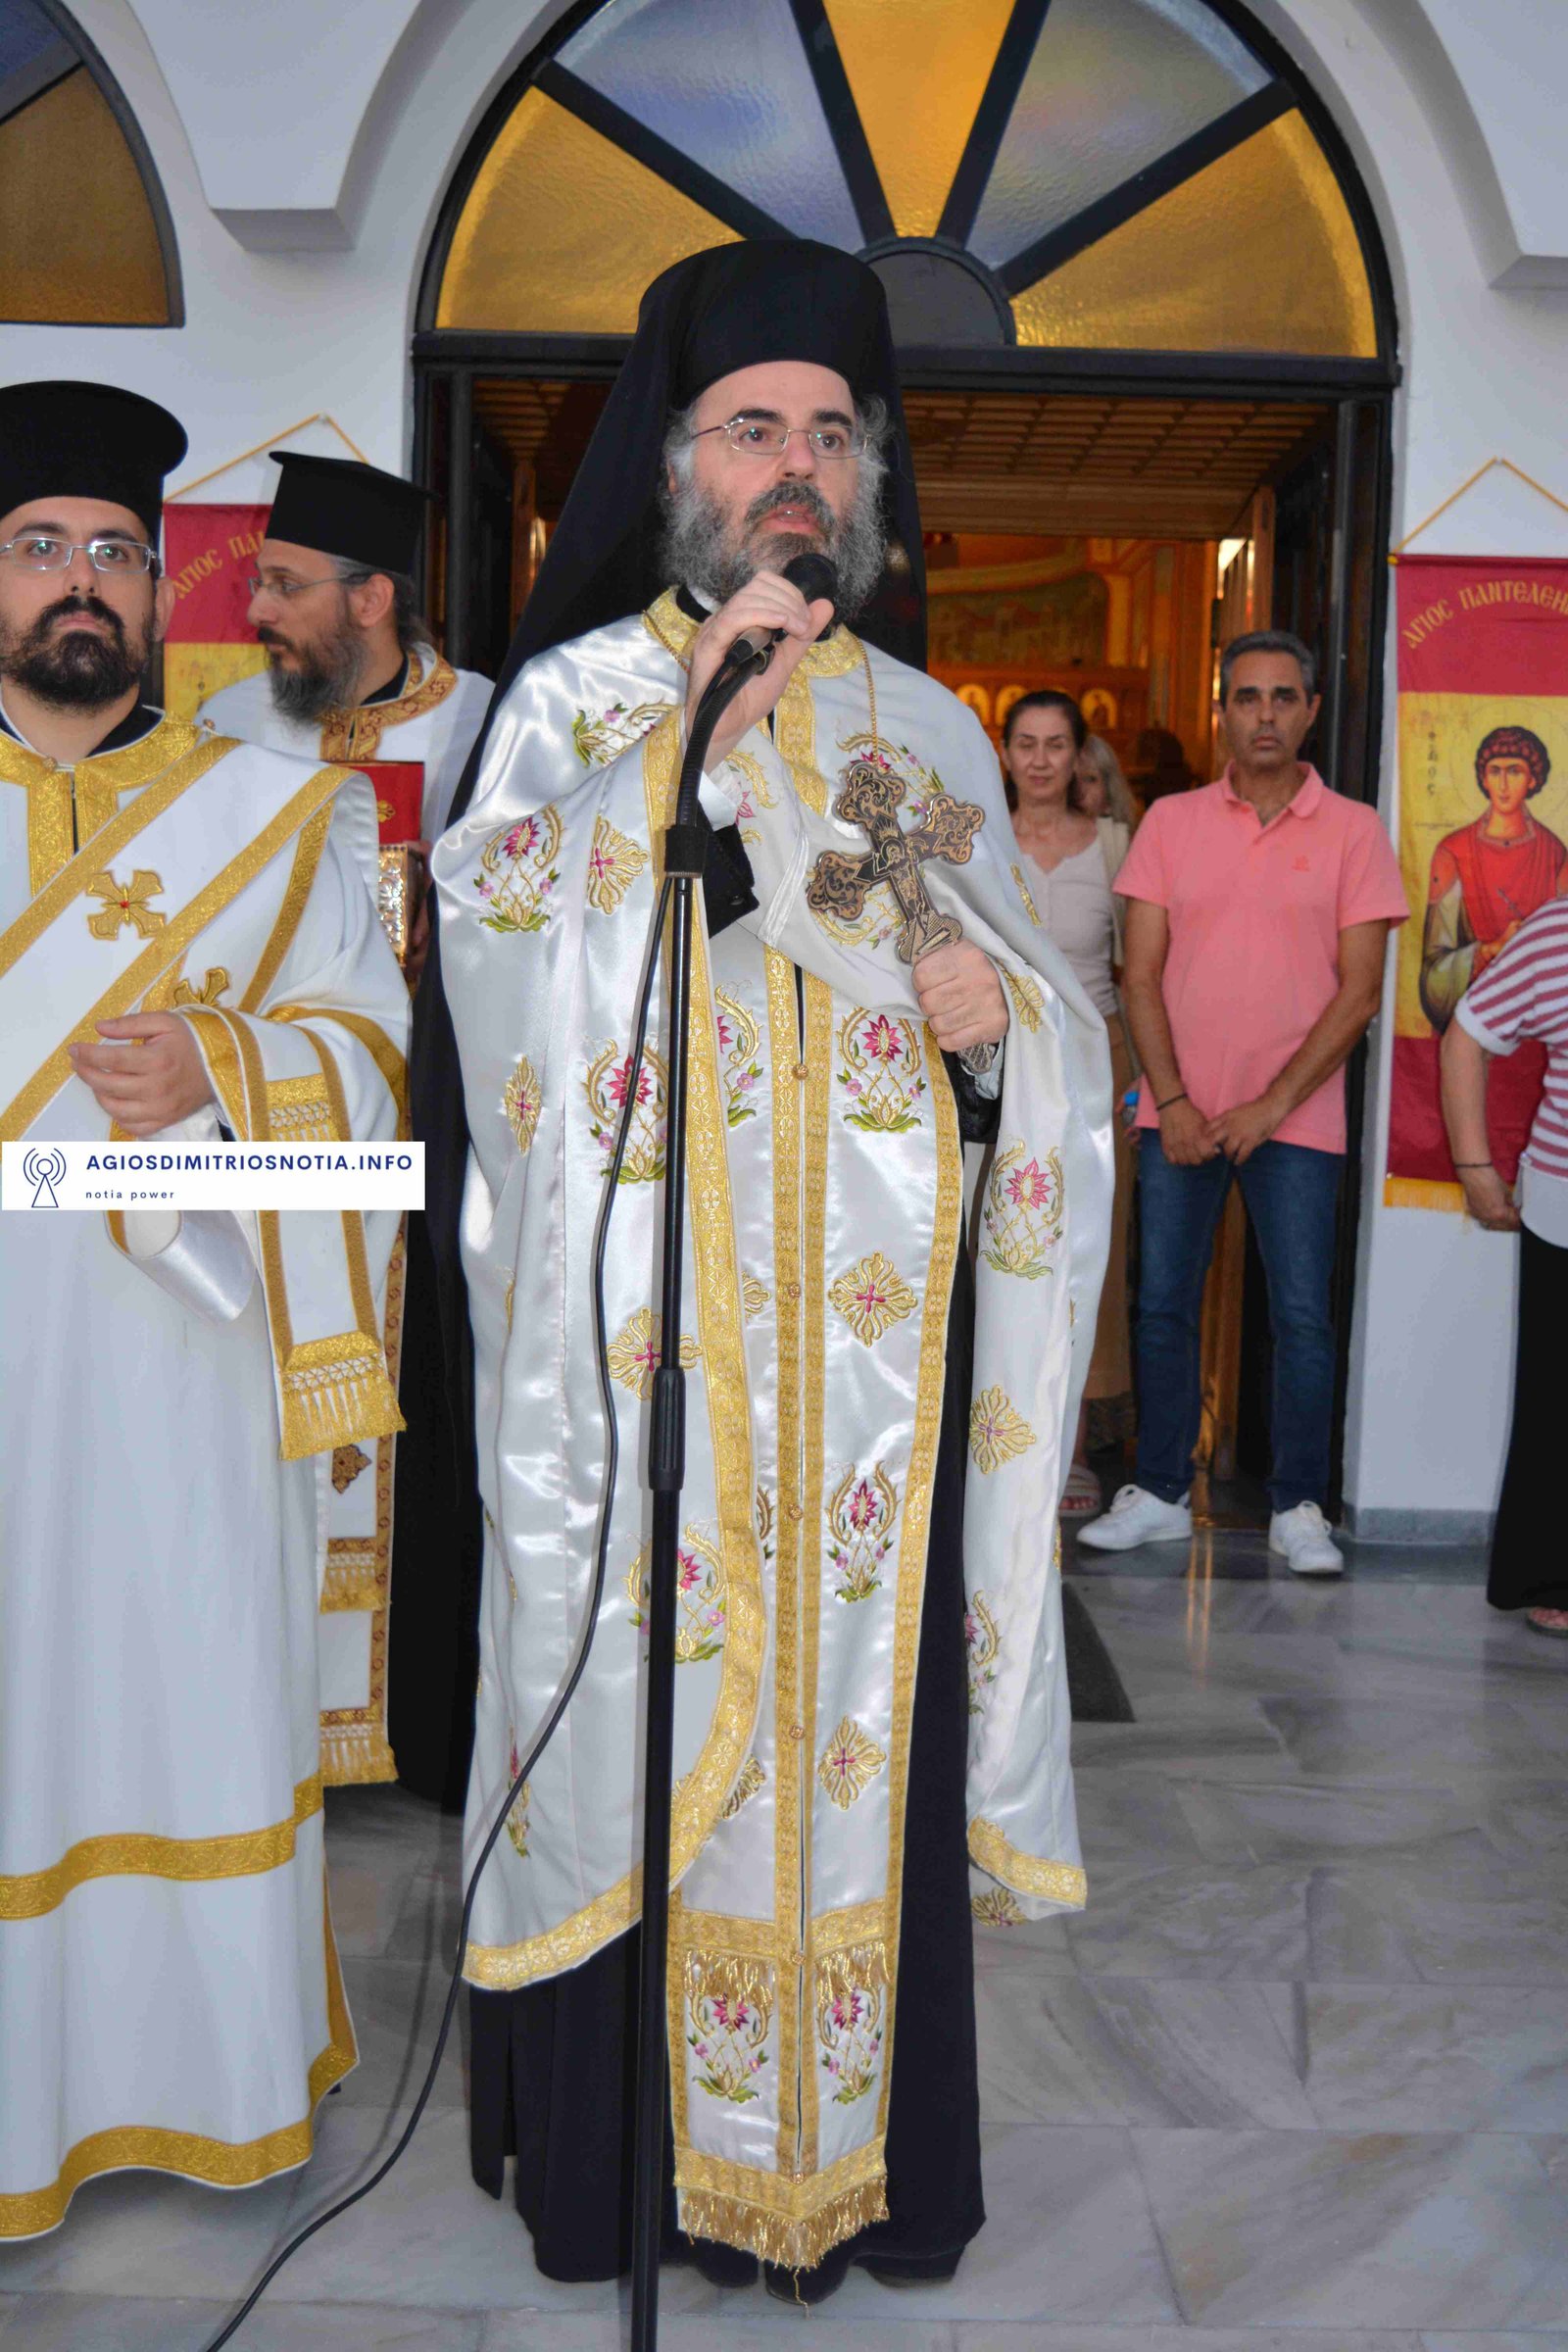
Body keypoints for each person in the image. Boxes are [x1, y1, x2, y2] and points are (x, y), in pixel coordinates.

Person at [418, 242, 1111, 2298]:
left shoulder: (924, 725)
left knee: (863, 1754)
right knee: (652, 1730)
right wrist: (680, 760)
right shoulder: (582, 704)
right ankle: (637, 2184)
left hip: (876, 1405)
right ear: (678, 468)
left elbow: (1023, 1023)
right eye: (751, 429)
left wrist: (1002, 1035)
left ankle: (870, 2180)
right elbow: (501, 980)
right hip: (663, 1375)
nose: (795, 465)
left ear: (866, 473)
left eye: (829, 432)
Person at [0, 380, 409, 2234]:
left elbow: (380, 1074)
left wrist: (230, 1074)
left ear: (166, 595)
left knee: (177, 1682)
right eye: (38, 547)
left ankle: (197, 2081)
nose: (80, 579)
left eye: (114, 551)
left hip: (191, 1358)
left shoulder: (281, 818)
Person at [200, 455, 493, 1801]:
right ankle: (266, 1728)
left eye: (284, 585)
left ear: (371, 599)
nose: (255, 609)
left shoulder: (489, 728)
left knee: (431, 1425)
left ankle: (416, 1732)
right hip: (274, 1145)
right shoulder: (226, 729)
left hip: (439, 1149)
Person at [1079, 628, 1408, 1576]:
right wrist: (1174, 1099)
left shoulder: (1354, 830)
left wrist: (1269, 1106)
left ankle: (1299, 1506)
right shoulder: (1172, 823)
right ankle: (1159, 1493)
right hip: (1178, 1114)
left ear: (1311, 711)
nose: (1265, 714)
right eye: (1248, 697)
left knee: (1300, 1316)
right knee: (1162, 1307)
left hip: (1296, 1119)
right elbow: (1140, 976)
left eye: (1283, 697)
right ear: (1221, 711)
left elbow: (1360, 993)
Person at [1004, 693, 1134, 1513]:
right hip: (1004, 1064)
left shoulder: (1115, 847)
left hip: (1096, 1063)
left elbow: (1141, 974)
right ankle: (1004, 1444)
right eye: (1026, 743)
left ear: (1079, 754)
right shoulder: (978, 839)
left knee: (1090, 1257)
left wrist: (1143, 1085)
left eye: (1057, 744)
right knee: (1006, 1249)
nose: (1041, 760)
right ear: (1005, 753)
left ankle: (1077, 1452)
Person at [1442, 896, 1568, 1637]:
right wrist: (1474, 1165)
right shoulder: (1557, 931)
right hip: (1563, 1201)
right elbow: (1466, 1034)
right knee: (1558, 1402)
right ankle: (1554, 1571)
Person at [1420, 725, 1564, 1031]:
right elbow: (1434, 975)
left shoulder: (1554, 853)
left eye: (1514, 771)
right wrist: (1488, 951)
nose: (1503, 784)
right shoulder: (1453, 852)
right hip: (1468, 1031)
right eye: (1494, 771)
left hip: (1535, 1032)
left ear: (1533, 779)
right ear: (1483, 779)